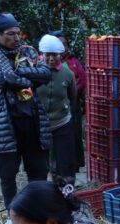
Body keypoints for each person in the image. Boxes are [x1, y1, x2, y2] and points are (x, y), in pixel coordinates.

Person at [0, 13, 52, 224]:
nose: (16, 38)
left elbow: (45, 74)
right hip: (4, 121)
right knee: (7, 173)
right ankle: (13, 218)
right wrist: (27, 79)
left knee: (38, 169)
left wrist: (17, 72)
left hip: (32, 118)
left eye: (18, 33)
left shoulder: (28, 51)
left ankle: (36, 211)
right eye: (10, 34)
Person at [35, 34, 78, 185]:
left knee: (65, 163)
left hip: (62, 124)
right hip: (39, 126)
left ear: (61, 55)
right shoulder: (33, 72)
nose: (52, 59)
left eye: (55, 55)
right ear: (42, 55)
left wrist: (65, 113)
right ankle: (44, 194)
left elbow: (72, 98)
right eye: (48, 55)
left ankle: (67, 195)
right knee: (40, 165)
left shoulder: (68, 74)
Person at [51, 30, 87, 172]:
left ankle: (74, 165)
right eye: (60, 44)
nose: (63, 46)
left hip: (73, 104)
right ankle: (56, 167)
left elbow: (82, 79)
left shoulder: (73, 61)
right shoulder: (49, 63)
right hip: (57, 107)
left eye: (65, 43)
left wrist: (73, 92)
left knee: (74, 135)